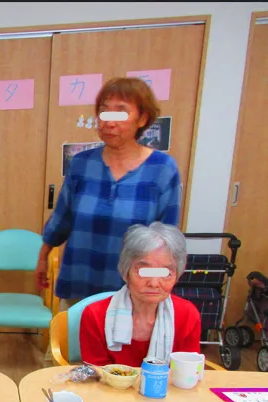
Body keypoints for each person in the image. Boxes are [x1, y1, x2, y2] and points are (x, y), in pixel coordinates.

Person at [36, 77, 182, 308]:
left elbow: (167, 237)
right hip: (80, 281)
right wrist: (43, 256)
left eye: (120, 113)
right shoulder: (82, 164)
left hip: (133, 291)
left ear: (142, 119)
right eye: (104, 112)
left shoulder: (162, 169)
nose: (109, 122)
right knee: (74, 342)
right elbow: (62, 218)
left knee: (123, 345)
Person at [79, 223, 201, 367]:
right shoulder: (95, 315)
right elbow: (97, 372)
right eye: (144, 271)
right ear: (126, 272)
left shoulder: (187, 315)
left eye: (166, 273)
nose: (154, 283)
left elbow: (187, 370)